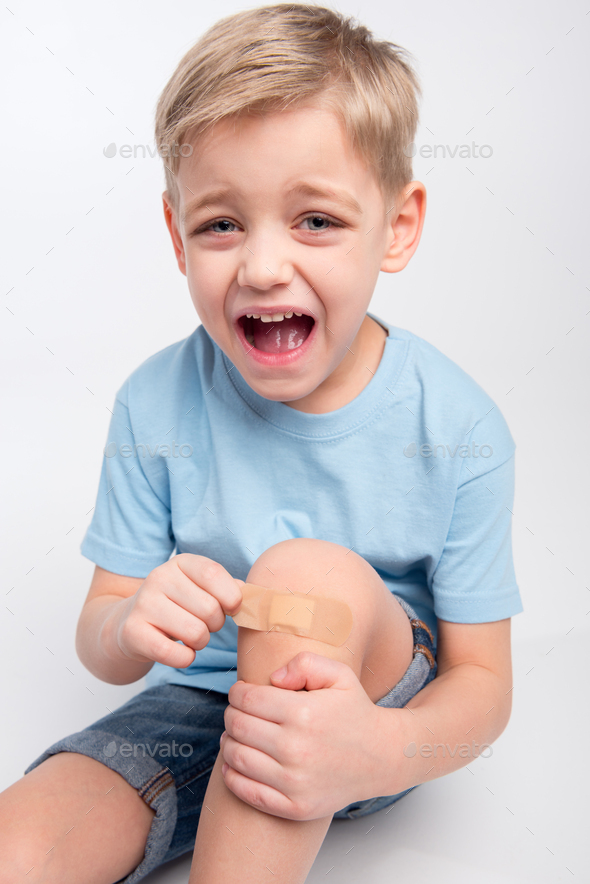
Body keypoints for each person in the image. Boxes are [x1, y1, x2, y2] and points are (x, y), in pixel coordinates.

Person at [0, 4, 523, 883]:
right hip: (197, 706)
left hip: (373, 712)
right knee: (21, 844)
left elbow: (485, 685)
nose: (263, 266)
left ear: (397, 226)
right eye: (220, 224)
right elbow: (101, 636)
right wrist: (132, 622)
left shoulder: (459, 427)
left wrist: (385, 750)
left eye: (315, 220)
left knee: (299, 579)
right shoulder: (152, 403)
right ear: (176, 235)